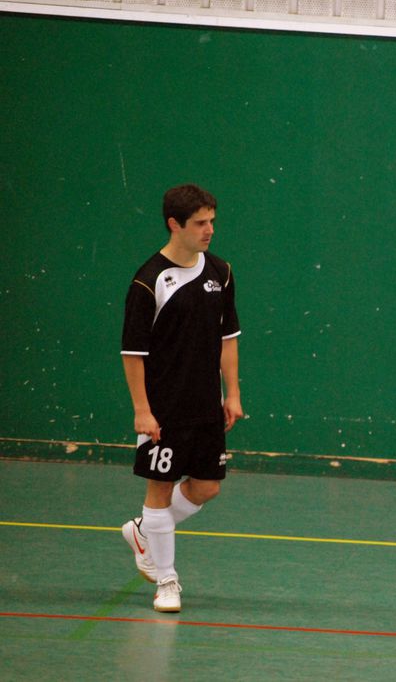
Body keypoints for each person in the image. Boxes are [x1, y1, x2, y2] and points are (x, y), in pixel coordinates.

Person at [120, 184, 243, 613]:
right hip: (164, 407)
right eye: (200, 223)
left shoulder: (221, 272)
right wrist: (142, 409)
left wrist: (233, 393)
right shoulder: (149, 280)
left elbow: (229, 338)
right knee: (160, 489)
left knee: (207, 487)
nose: (210, 230)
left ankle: (143, 531)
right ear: (175, 224)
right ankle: (167, 580)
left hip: (207, 404)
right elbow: (133, 354)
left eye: (212, 221)